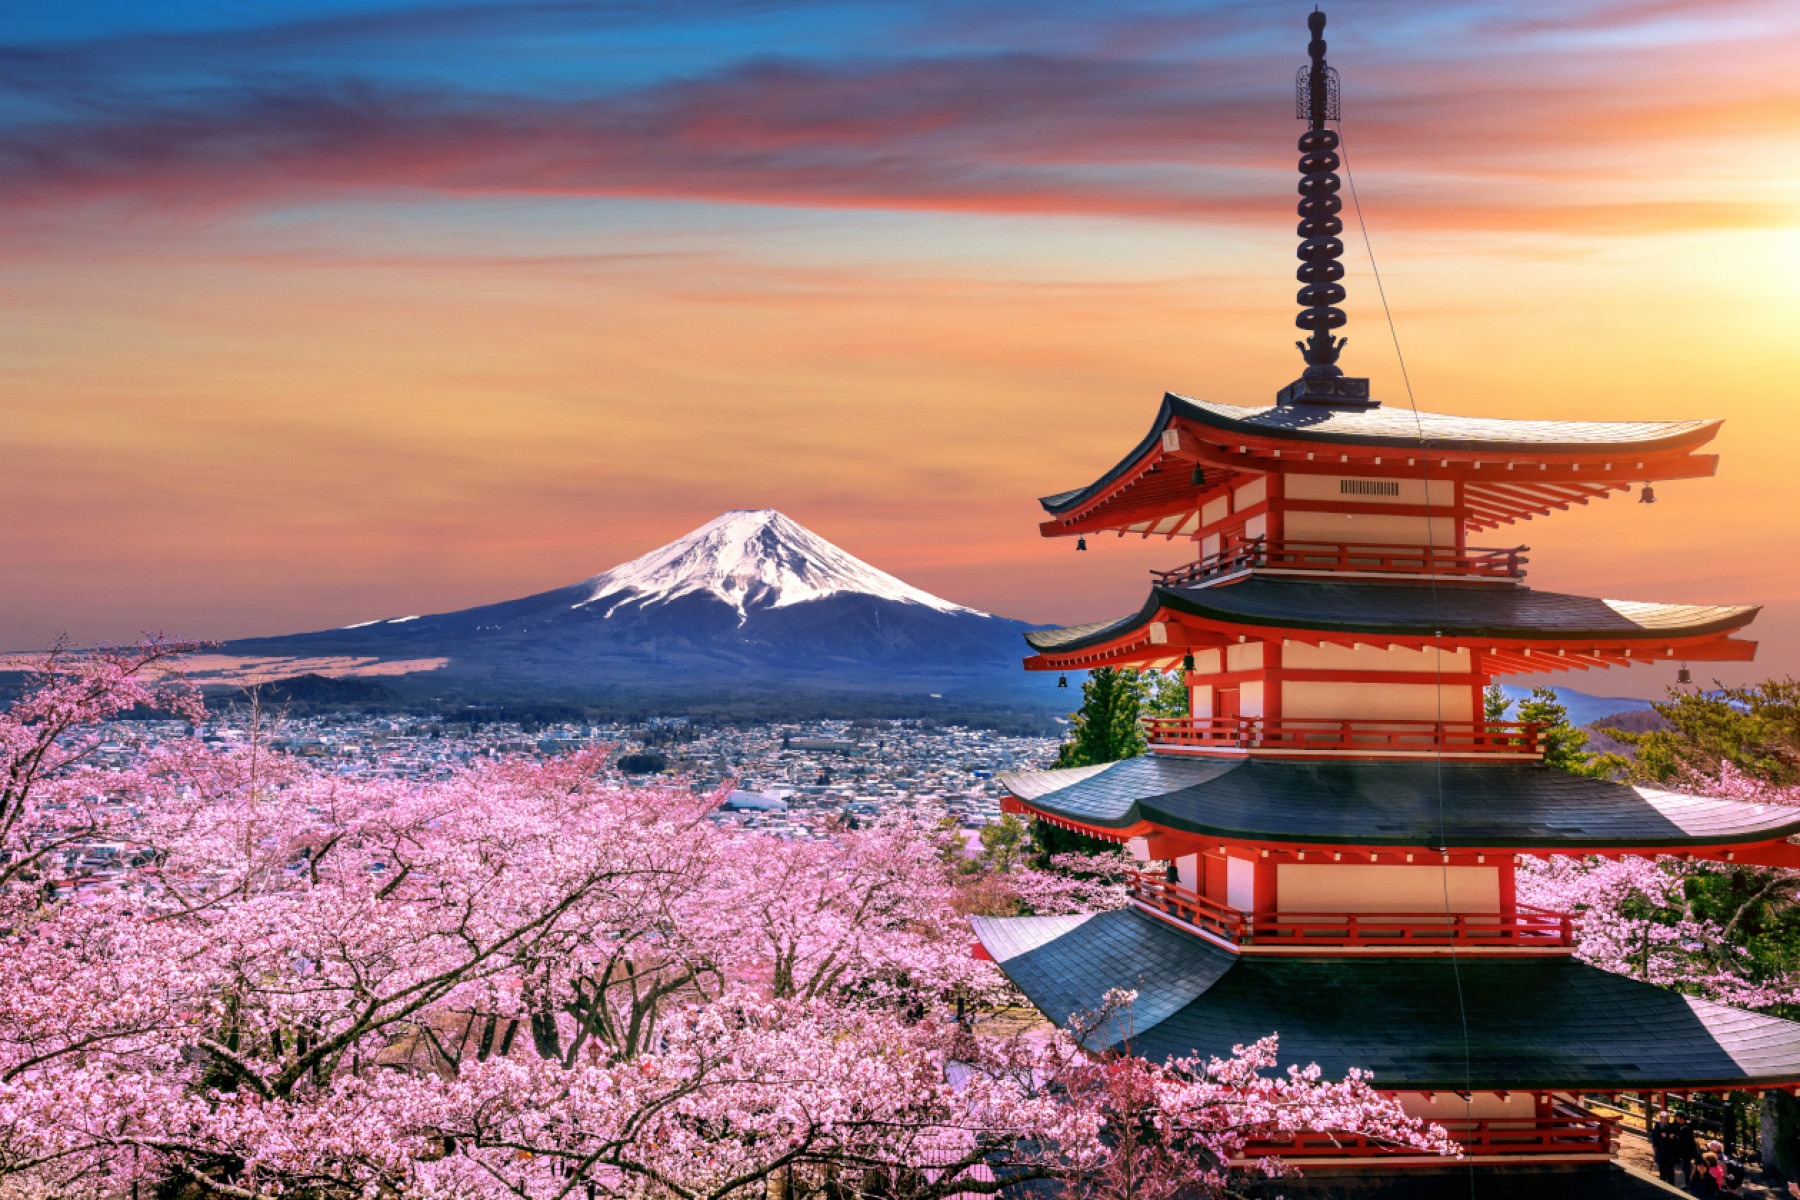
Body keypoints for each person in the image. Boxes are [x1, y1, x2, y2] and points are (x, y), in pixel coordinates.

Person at [1652, 1111, 1680, 1183]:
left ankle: (1671, 1182)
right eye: (1662, 1118)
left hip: (1669, 1150)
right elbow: (1654, 1136)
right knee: (1661, 1166)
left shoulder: (1671, 1126)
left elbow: (1675, 1137)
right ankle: (1662, 1180)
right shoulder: (1657, 1125)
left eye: (1666, 1118)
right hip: (1660, 1149)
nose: (1664, 1119)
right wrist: (1654, 1145)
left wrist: (1670, 1136)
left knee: (1670, 1167)